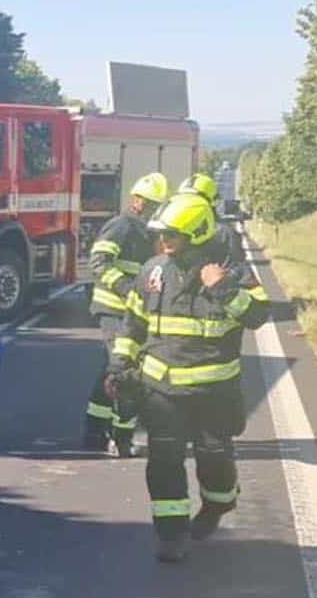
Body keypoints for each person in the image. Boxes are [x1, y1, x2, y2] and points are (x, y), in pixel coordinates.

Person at [108, 193, 270, 563]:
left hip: (214, 392)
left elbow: (258, 316)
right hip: (162, 391)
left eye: (172, 235)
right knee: (164, 462)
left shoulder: (232, 272)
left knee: (214, 459)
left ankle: (218, 505)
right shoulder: (153, 271)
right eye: (161, 234)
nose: (163, 241)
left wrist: (222, 288)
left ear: (196, 233)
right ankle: (171, 534)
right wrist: (119, 366)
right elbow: (133, 324)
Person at [84, 172, 170, 456]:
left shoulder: (149, 232)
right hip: (114, 308)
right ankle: (121, 438)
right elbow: (98, 262)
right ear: (135, 199)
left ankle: (94, 431)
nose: (150, 208)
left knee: (111, 369)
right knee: (125, 371)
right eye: (147, 202)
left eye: (155, 204)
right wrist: (127, 288)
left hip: (132, 312)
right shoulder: (121, 225)